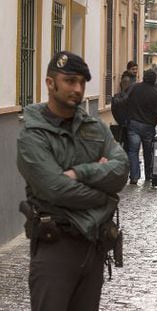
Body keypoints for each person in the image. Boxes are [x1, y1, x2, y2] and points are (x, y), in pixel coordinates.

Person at [16, 51, 129, 311]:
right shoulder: (32, 136)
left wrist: (80, 173)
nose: (77, 89)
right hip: (55, 247)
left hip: (94, 246)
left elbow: (121, 169)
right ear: (50, 83)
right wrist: (105, 195)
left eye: (81, 82)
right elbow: (55, 189)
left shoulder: (95, 127)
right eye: (69, 81)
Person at [127, 69, 157, 184]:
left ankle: (134, 176)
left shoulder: (134, 88)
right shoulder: (156, 94)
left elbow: (125, 101)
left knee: (133, 151)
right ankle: (148, 175)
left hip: (133, 124)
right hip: (148, 127)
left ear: (143, 77)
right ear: (154, 80)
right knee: (148, 151)